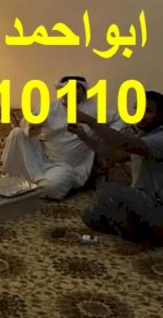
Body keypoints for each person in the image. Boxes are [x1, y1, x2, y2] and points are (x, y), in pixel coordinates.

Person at [1, 75, 125, 200]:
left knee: (51, 188)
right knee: (17, 133)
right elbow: (25, 123)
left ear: (83, 91)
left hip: (66, 167)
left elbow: (119, 119)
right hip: (41, 158)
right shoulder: (48, 107)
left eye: (77, 88)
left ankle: (28, 185)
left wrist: (104, 136)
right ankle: (18, 180)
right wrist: (33, 124)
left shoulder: (94, 111)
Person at [69, 90, 163, 254]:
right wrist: (82, 135)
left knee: (108, 191)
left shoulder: (160, 137)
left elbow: (125, 144)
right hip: (146, 204)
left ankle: (140, 239)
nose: (141, 115)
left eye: (148, 111)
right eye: (138, 110)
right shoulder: (143, 135)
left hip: (158, 207)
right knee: (90, 216)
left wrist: (90, 121)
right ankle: (148, 231)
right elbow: (113, 155)